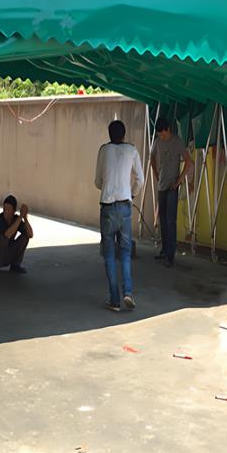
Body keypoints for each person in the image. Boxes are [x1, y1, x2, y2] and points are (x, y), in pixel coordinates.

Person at [95, 119, 144, 311]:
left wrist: (108, 186)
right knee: (125, 253)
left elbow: (97, 181)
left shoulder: (103, 150)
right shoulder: (132, 150)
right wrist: (131, 193)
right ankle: (128, 292)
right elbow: (140, 179)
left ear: (109, 134)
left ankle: (114, 300)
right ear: (124, 135)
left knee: (109, 255)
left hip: (107, 207)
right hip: (125, 206)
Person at [150, 117, 193, 268]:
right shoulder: (157, 142)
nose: (161, 137)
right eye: (159, 135)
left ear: (168, 129)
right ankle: (164, 249)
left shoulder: (177, 142)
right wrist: (156, 174)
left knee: (170, 220)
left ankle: (170, 255)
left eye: (163, 134)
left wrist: (179, 181)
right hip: (161, 185)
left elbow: (188, 161)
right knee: (162, 220)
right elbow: (152, 157)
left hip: (172, 187)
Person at [0, 195, 33, 273]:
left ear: (14, 210)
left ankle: (15, 264)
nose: (6, 212)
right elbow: (7, 235)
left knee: (25, 237)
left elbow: (30, 234)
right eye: (4, 209)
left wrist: (25, 218)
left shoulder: (16, 219)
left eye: (8, 209)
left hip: (8, 253)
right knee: (2, 238)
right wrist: (20, 217)